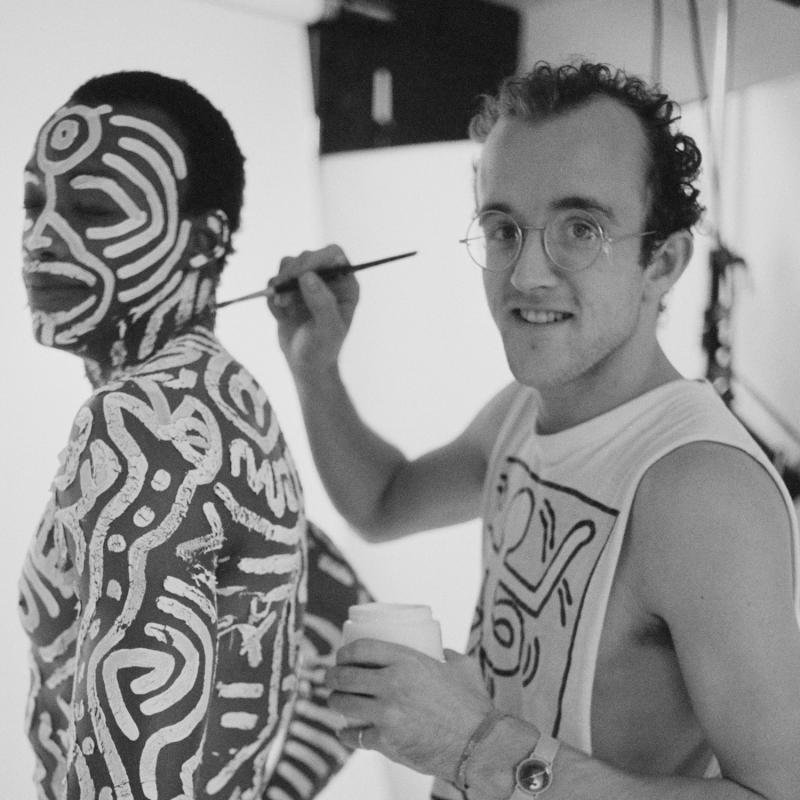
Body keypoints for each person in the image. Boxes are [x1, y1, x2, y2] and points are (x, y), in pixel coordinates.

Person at [267, 61, 800, 800]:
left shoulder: (700, 489)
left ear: (663, 261)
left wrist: (474, 746)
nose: (526, 275)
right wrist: (316, 368)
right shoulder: (522, 410)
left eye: (581, 229)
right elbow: (382, 503)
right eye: (504, 229)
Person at [18, 70, 369, 800]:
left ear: (203, 240)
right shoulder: (218, 403)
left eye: (93, 210)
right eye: (33, 203)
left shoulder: (144, 424)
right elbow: (342, 616)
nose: (43, 238)